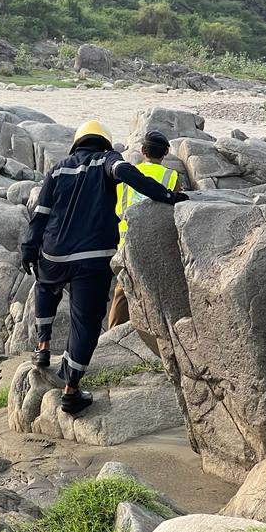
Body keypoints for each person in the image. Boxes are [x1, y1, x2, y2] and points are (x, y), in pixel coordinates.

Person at [20, 120, 188, 415]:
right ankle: (71, 390)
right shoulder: (108, 160)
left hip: (54, 253)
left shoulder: (58, 168)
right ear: (105, 142)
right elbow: (124, 172)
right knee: (85, 321)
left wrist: (28, 249)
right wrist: (167, 196)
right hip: (93, 258)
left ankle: (43, 346)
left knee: (45, 288)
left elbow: (41, 213)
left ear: (78, 141)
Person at [107, 130, 181, 329]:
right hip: (156, 241)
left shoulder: (126, 174)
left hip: (125, 240)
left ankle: (113, 335)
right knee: (158, 291)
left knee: (122, 291)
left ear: (142, 151)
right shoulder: (171, 176)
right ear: (166, 152)